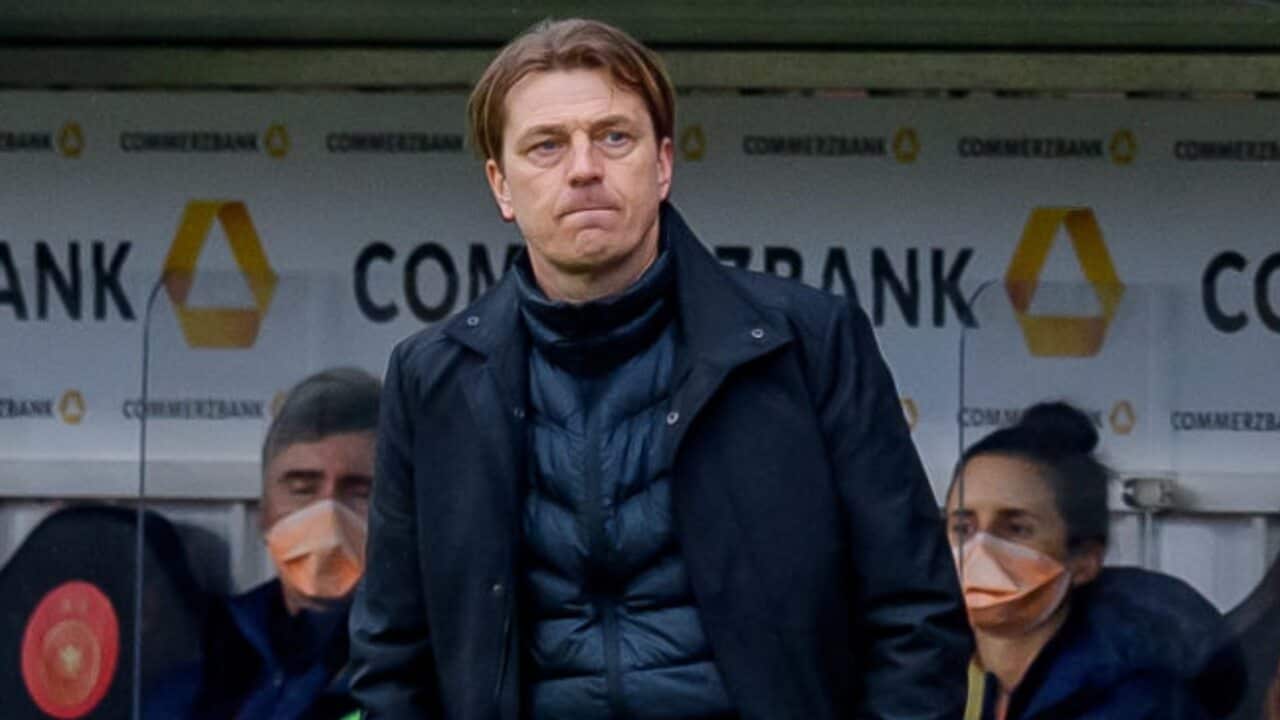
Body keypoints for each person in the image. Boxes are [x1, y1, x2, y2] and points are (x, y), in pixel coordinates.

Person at [350, 17, 971, 720]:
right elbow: (392, 654)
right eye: (546, 146)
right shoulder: (432, 379)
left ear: (664, 163)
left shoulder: (807, 343)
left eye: (614, 137)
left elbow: (916, 617)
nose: (584, 168)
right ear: (500, 184)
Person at [947, 402, 1245, 720]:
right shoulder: (941, 673)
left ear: (1084, 560)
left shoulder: (1139, 702)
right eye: (963, 528)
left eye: (1016, 529)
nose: (982, 549)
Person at [146, 367, 380, 720]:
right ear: (265, 512)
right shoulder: (205, 665)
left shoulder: (430, 672)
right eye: (301, 489)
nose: (327, 515)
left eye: (360, 492)